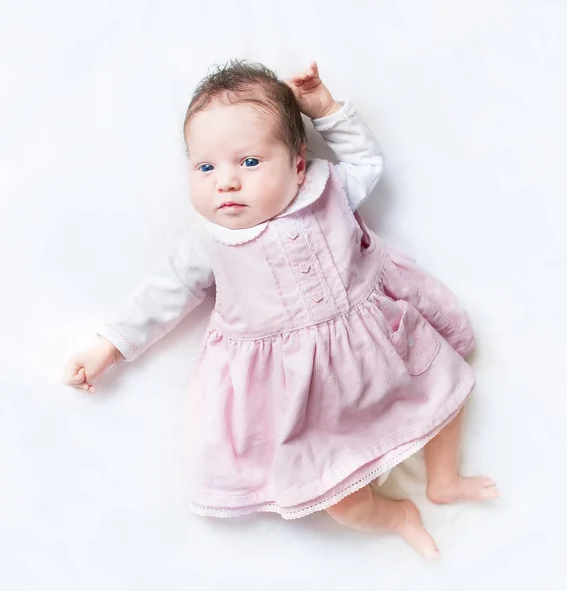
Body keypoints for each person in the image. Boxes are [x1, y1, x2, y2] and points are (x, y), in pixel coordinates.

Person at [62, 59, 500, 560]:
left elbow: (367, 163)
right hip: (306, 400)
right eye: (206, 167)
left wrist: (327, 110)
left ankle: (444, 479)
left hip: (380, 349)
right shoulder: (209, 243)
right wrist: (108, 347)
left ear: (297, 164)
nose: (225, 182)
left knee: (448, 393)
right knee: (337, 497)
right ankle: (396, 514)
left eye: (248, 162)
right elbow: (163, 296)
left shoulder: (328, 191)